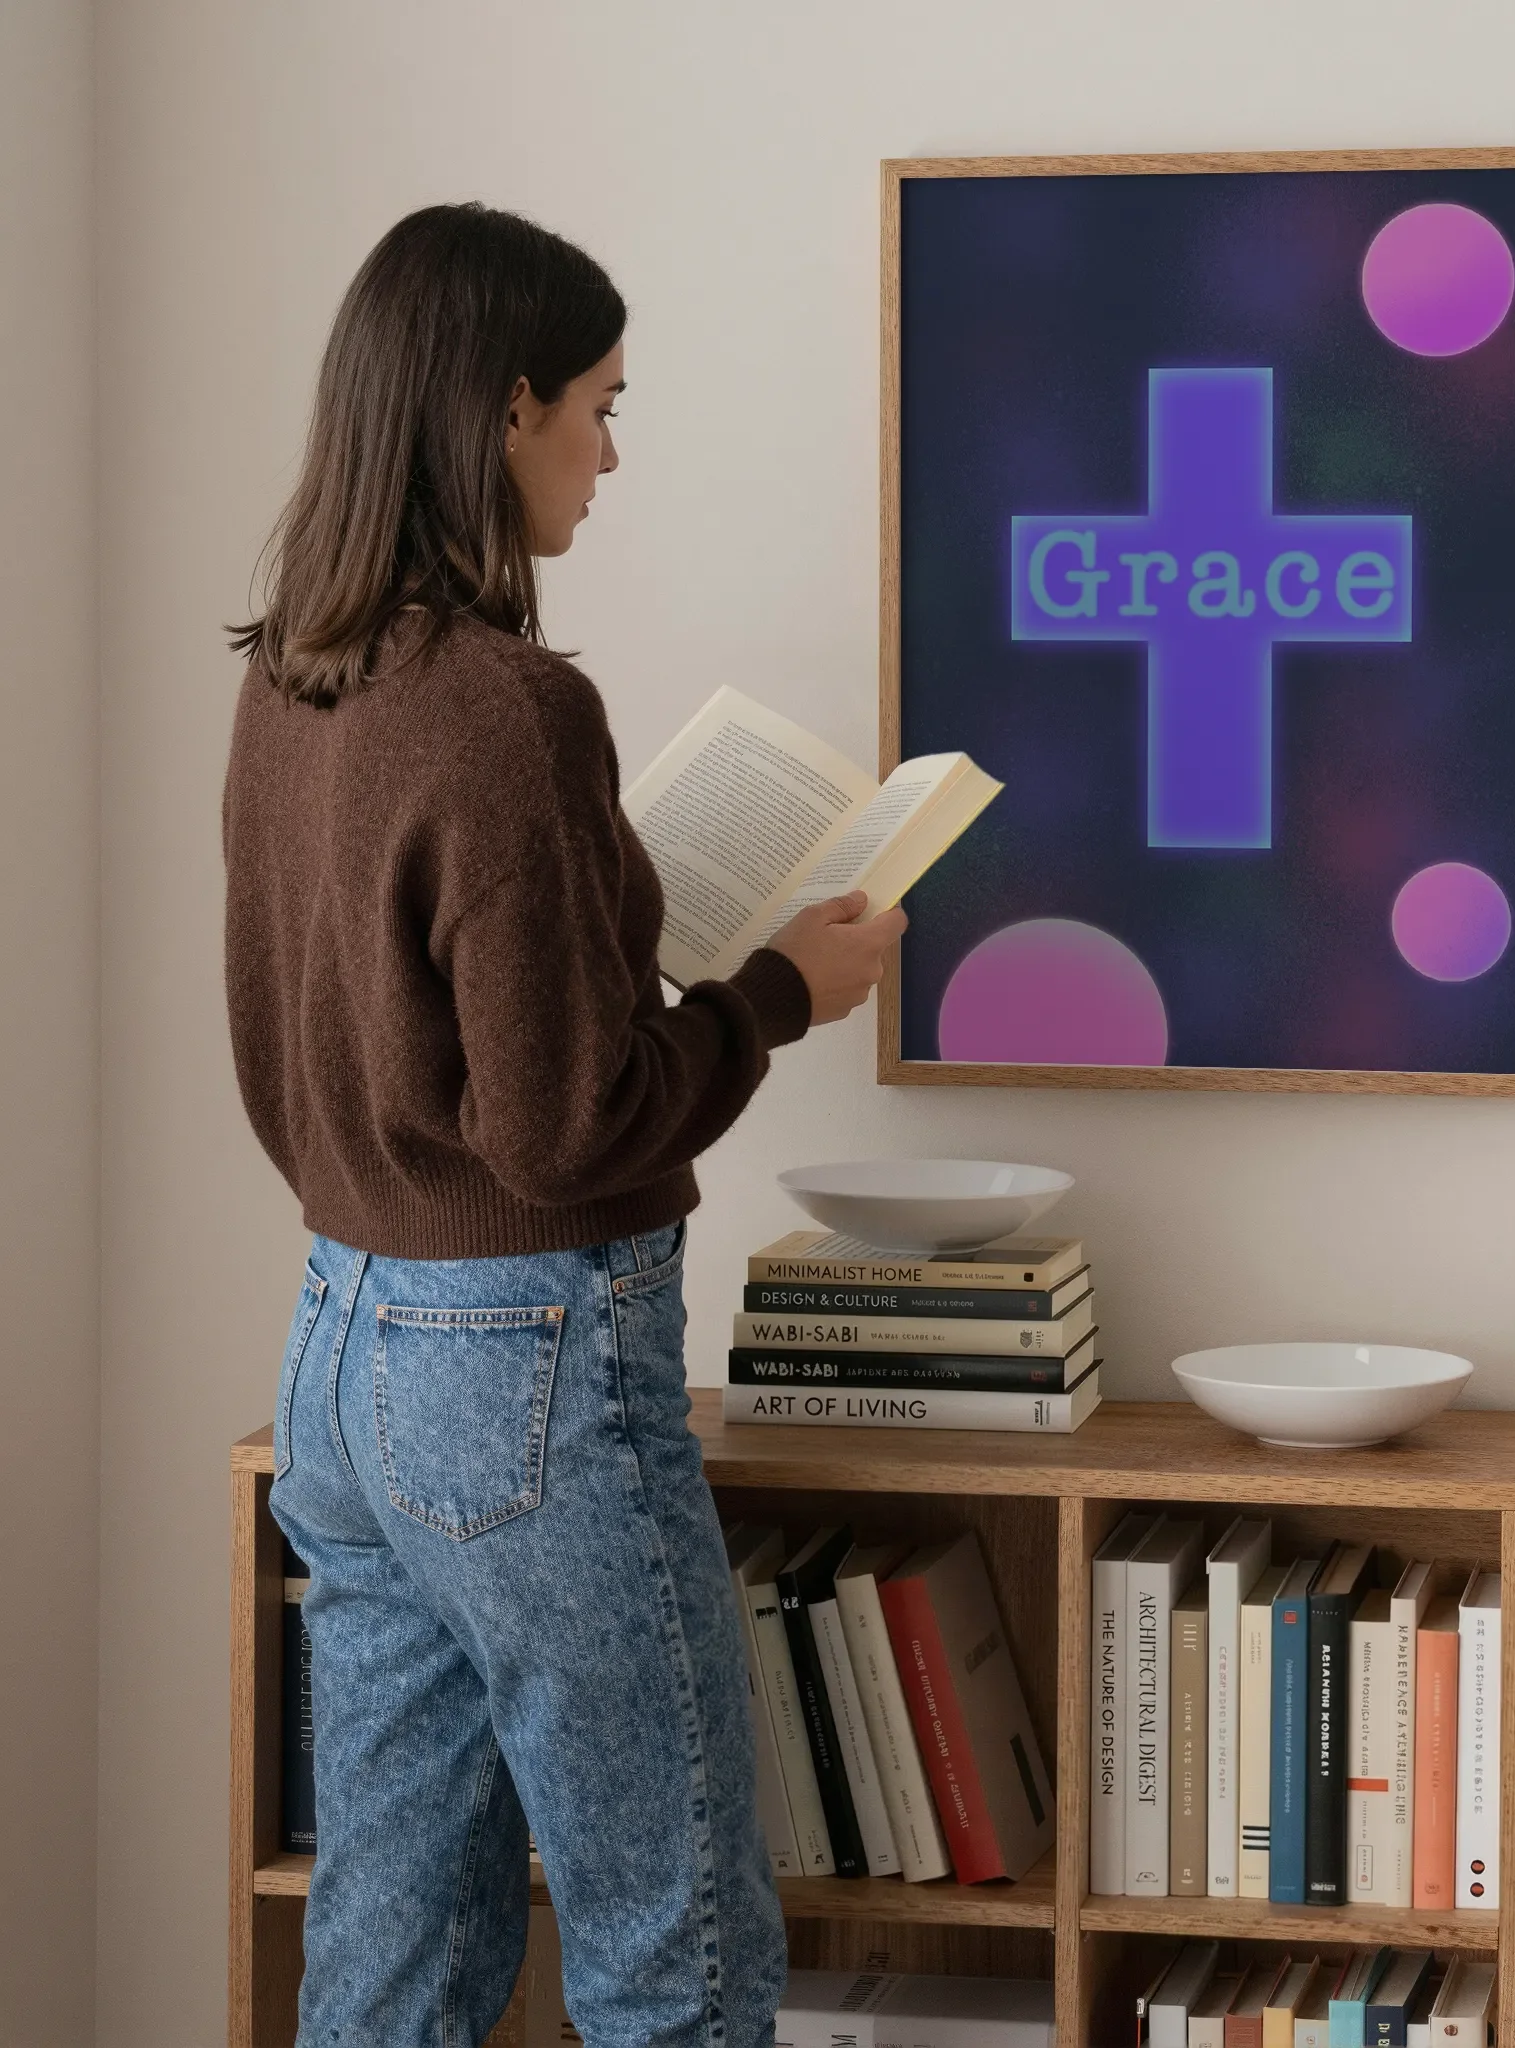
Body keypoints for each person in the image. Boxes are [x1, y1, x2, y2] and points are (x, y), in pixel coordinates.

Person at [222, 202, 901, 2048]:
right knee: (671, 1950)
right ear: (502, 405)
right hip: (521, 1369)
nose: (610, 451)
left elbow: (331, 1051)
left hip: (342, 1360)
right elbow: (564, 1126)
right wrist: (777, 996)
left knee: (394, 1947)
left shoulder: (294, 676)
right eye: (600, 404)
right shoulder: (509, 707)